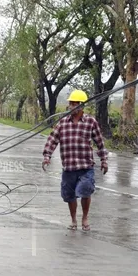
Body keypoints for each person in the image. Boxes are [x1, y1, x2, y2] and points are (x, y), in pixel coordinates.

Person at [42, 90, 108, 231]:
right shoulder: (62, 123)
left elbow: (100, 142)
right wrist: (47, 156)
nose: (71, 106)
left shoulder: (90, 122)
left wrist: (104, 160)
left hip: (86, 166)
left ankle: (84, 218)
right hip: (69, 167)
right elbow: (52, 139)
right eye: (70, 103)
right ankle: (73, 220)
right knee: (69, 195)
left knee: (85, 190)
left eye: (74, 103)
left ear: (81, 106)